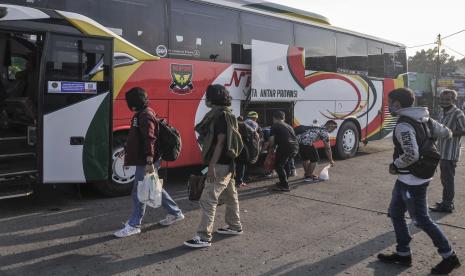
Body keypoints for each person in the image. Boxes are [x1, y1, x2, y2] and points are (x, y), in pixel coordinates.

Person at [377, 88, 460, 275]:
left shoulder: (403, 125)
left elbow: (411, 154)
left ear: (397, 104)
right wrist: (428, 136)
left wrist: (395, 164)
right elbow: (446, 132)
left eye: (390, 102)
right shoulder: (424, 117)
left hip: (412, 180)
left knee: (422, 219)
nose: (389, 106)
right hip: (407, 179)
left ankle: (449, 256)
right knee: (396, 212)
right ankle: (403, 253)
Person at [114, 87, 184, 238]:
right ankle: (175, 212)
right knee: (153, 187)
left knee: (139, 191)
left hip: (147, 160)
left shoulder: (145, 116)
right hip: (144, 159)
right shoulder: (141, 114)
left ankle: (134, 224)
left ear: (133, 103)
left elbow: (150, 139)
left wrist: (149, 161)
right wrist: (126, 150)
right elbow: (136, 138)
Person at [184, 84, 244, 248]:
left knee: (208, 199)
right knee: (231, 196)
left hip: (220, 164)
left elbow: (221, 142)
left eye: (207, 96)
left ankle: (203, 237)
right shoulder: (226, 114)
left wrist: (211, 165)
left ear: (212, 98)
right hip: (228, 165)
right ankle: (234, 226)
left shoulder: (221, 116)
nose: (206, 99)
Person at [430, 90, 465, 213]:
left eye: (448, 100)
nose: (444, 102)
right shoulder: (441, 112)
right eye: (442, 99)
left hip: (450, 153)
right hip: (441, 151)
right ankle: (447, 202)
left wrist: (448, 132)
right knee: (444, 179)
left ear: (453, 100)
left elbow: (463, 130)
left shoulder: (458, 113)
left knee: (448, 180)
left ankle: (447, 205)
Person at [268, 111, 299, 192]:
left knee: (278, 165)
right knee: (286, 164)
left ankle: (284, 186)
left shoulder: (275, 126)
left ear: (274, 118)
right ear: (283, 118)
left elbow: (271, 140)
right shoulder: (289, 126)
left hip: (285, 147)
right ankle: (284, 182)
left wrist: (271, 149)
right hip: (295, 147)